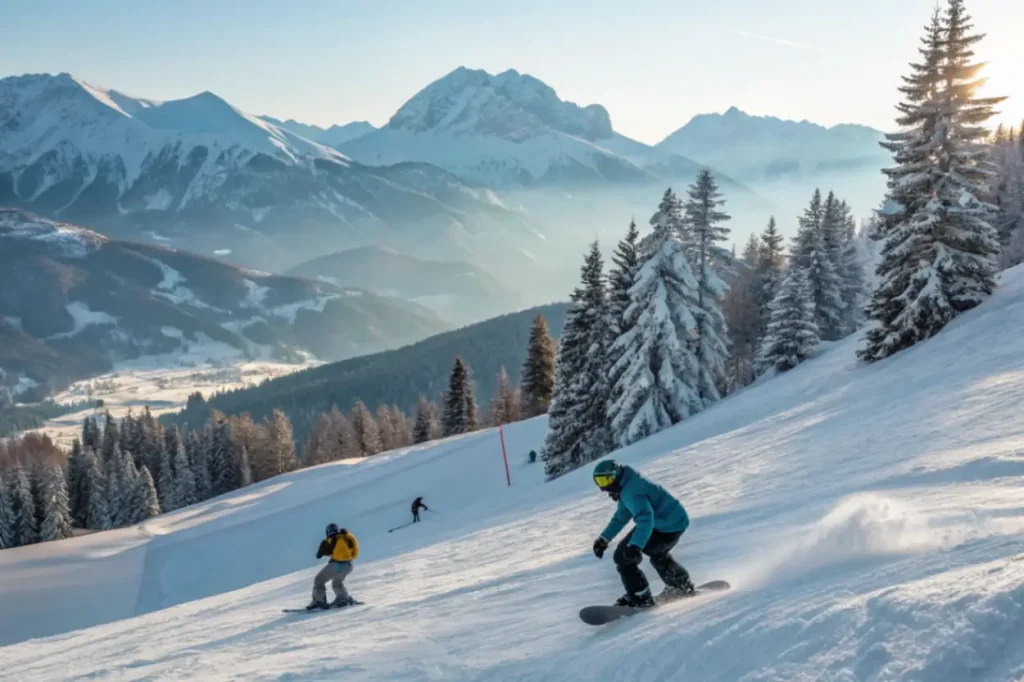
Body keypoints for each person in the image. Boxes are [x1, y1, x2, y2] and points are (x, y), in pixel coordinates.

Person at [591, 459, 695, 608]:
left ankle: (640, 597)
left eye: (607, 479)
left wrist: (635, 546)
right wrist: (604, 539)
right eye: (600, 482)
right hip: (672, 522)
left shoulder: (631, 492)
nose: (604, 486)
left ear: (617, 475)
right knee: (657, 554)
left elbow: (646, 518)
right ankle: (680, 586)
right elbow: (622, 515)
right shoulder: (627, 485)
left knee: (623, 557)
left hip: (666, 526)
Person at [307, 523, 359, 610]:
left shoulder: (332, 538)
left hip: (337, 565)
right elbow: (355, 550)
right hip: (349, 565)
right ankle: (343, 598)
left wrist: (322, 549)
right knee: (337, 583)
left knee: (318, 580)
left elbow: (324, 552)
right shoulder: (346, 537)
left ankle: (319, 601)